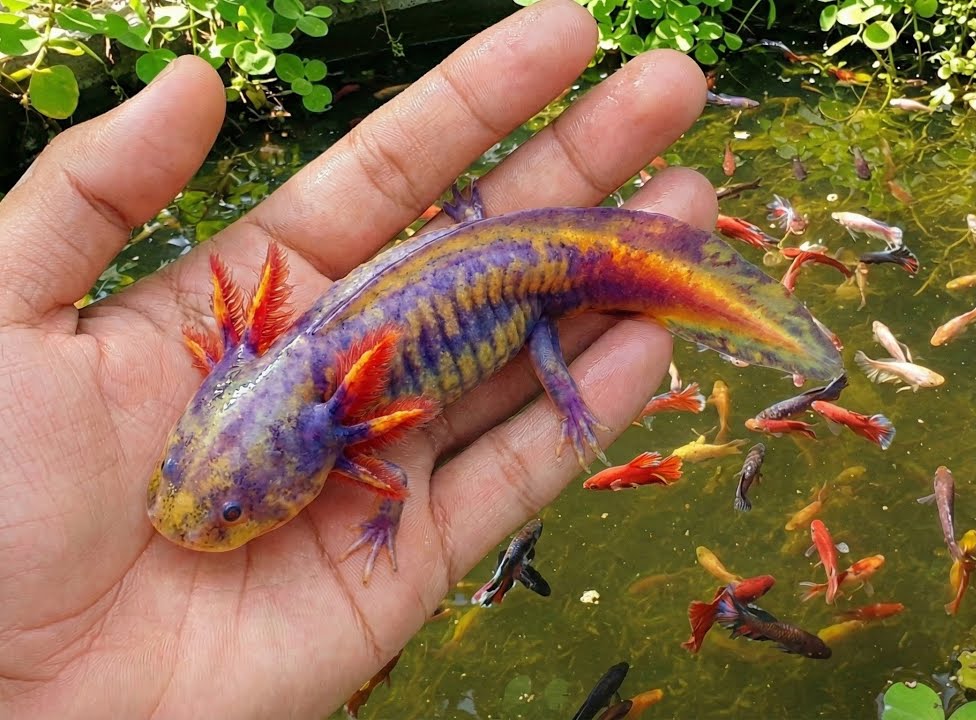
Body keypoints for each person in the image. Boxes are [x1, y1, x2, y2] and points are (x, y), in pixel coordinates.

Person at [0, 1, 715, 717]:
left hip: (522, 293)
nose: (192, 519)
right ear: (221, 370)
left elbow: (394, 482)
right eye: (179, 479)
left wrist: (558, 397)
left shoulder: (338, 428)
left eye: (229, 511)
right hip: (478, 253)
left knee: (543, 333)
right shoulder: (275, 390)